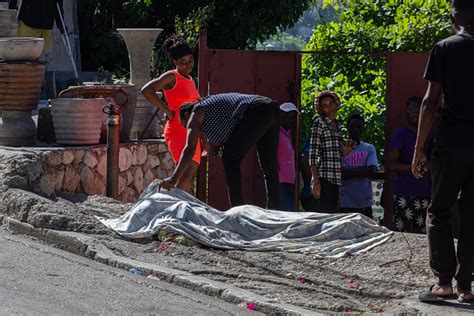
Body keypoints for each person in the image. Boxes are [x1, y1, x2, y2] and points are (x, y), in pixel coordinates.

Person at [412, 0, 474, 302]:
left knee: (439, 211)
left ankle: (444, 283)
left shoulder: (445, 47)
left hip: (451, 144)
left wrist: (418, 148)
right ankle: (466, 287)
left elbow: (429, 101)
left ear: (453, 17)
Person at [161, 93, 280, 209]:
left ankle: (238, 210)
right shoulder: (210, 108)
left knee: (230, 159)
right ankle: (275, 209)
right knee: (269, 166)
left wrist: (174, 179)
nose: (190, 130)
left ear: (186, 115)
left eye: (186, 126)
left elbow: (189, 149)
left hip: (255, 110)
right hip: (271, 107)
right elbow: (232, 133)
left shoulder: (195, 113)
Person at [141, 36, 201, 193]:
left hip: (191, 132)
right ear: (174, 61)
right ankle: (179, 209)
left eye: (190, 60)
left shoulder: (190, 79)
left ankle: (183, 208)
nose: (188, 65)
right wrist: (167, 110)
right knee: (185, 174)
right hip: (177, 130)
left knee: (190, 175)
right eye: (182, 62)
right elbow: (147, 90)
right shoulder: (172, 76)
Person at [388, 97, 431, 233]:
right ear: (406, 111)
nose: (415, 113)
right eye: (412, 110)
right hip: (404, 194)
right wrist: (412, 167)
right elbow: (390, 165)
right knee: (404, 236)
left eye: (419, 111)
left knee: (424, 236)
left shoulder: (427, 137)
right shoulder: (400, 134)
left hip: (425, 193)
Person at [309, 90, 354, 213]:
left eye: (331, 103)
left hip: (336, 177)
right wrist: (315, 180)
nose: (329, 108)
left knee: (332, 212)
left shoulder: (337, 125)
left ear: (336, 104)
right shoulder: (319, 123)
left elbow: (337, 152)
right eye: (325, 106)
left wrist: (345, 152)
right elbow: (313, 153)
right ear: (321, 109)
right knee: (324, 214)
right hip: (324, 176)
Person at [339, 114, 378, 219]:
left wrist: (349, 171)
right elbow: (340, 174)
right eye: (353, 127)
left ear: (363, 129)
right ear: (347, 128)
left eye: (359, 127)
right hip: (345, 204)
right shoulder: (341, 148)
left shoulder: (369, 148)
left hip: (364, 204)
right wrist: (363, 170)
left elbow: (372, 171)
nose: (356, 130)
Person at [278, 102, 299, 211]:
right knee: (287, 211)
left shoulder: (287, 133)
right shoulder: (276, 132)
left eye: (293, 117)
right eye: (288, 116)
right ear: (280, 116)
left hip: (288, 181)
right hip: (279, 181)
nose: (291, 120)